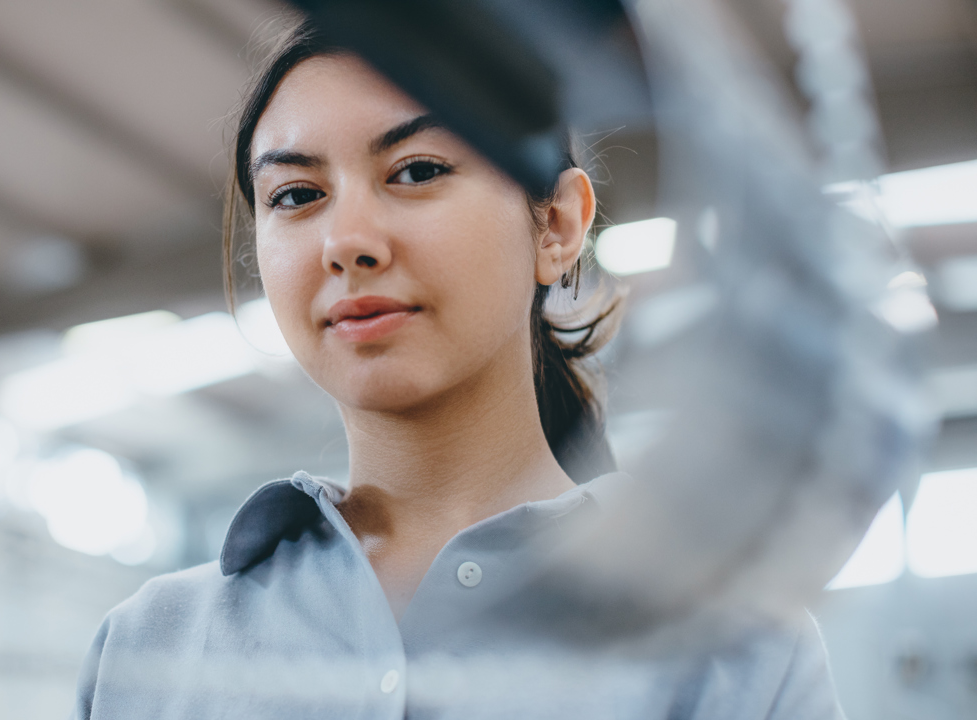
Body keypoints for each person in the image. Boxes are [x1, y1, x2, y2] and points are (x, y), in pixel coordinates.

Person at [72, 19, 845, 719]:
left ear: (556, 225)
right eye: (297, 194)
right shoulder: (147, 650)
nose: (347, 241)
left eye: (416, 171)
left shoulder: (729, 639)